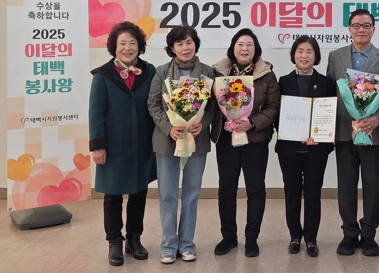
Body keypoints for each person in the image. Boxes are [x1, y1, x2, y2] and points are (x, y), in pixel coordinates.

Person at [326, 8, 379, 257]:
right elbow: (329, 93)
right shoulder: (335, 57)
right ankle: (349, 233)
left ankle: (368, 235)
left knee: (372, 186)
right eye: (356, 25)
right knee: (345, 185)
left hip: (373, 134)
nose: (361, 29)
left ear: (373, 29)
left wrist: (378, 119)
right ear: (349, 29)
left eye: (366, 25)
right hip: (344, 133)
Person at [89, 21, 157, 267]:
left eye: (132, 43)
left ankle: (134, 238)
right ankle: (115, 241)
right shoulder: (103, 76)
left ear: (139, 46)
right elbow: (96, 113)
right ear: (114, 47)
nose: (128, 48)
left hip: (142, 144)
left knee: (139, 192)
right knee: (113, 195)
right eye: (123, 43)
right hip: (114, 146)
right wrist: (98, 145)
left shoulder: (149, 71)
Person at [147, 25, 217, 264]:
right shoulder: (161, 72)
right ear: (172, 48)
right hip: (167, 141)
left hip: (197, 140)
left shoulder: (208, 72)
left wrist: (202, 124)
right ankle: (168, 245)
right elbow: (153, 104)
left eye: (189, 42)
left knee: (192, 194)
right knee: (167, 194)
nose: (185, 47)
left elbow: (213, 106)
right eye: (180, 43)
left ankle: (187, 244)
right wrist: (169, 127)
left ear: (195, 44)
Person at [212, 28, 281, 258]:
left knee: (255, 189)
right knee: (226, 189)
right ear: (233, 48)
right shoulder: (218, 73)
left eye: (249, 44)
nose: (244, 48)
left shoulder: (266, 74)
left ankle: (251, 238)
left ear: (256, 49)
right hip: (226, 139)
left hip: (256, 140)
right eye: (240, 44)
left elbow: (273, 107)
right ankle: (228, 237)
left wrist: (251, 123)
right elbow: (211, 105)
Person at [276, 36, 337, 258]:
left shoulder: (326, 82)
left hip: (316, 150)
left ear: (316, 56)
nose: (304, 55)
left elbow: (330, 114)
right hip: (289, 149)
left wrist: (319, 136)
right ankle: (295, 236)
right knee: (292, 193)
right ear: (293, 54)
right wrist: (290, 132)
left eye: (309, 51)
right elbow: (277, 114)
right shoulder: (283, 81)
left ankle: (311, 238)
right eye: (300, 51)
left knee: (313, 194)